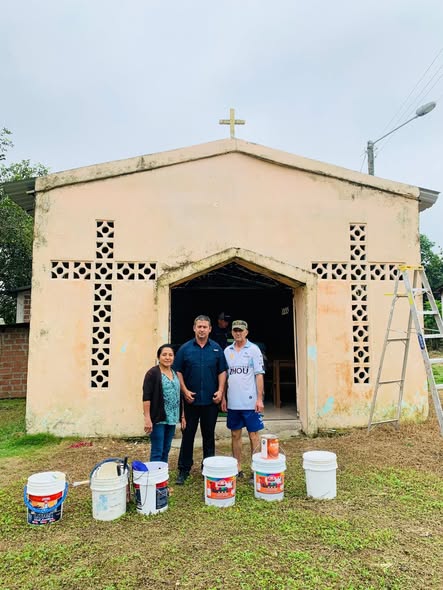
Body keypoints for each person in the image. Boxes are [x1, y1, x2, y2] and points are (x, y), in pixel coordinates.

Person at [174, 315, 228, 484]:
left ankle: (209, 468)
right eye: (199, 327)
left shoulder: (217, 349)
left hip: (211, 401)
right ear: (194, 328)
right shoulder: (185, 349)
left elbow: (222, 371)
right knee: (188, 435)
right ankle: (184, 469)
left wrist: (220, 391)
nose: (202, 330)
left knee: (209, 436)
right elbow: (178, 371)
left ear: (210, 329)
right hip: (191, 400)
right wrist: (184, 390)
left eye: (205, 327)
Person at [221, 320, 265, 479]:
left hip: (250, 402)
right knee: (235, 435)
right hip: (233, 402)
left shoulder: (253, 349)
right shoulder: (227, 351)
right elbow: (224, 375)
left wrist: (259, 399)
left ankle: (256, 468)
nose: (238, 333)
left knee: (254, 435)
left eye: (241, 330)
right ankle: (237, 466)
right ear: (232, 332)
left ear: (246, 332)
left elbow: (259, 375)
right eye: (235, 330)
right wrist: (223, 397)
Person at [142, 344, 186, 463]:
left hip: (172, 418)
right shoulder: (152, 373)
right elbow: (146, 397)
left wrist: (182, 416)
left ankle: (162, 474)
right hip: (158, 418)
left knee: (166, 449)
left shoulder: (174, 373)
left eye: (170, 355)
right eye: (164, 355)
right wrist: (147, 418)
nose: (167, 357)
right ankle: (154, 474)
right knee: (157, 450)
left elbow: (179, 395)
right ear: (158, 357)